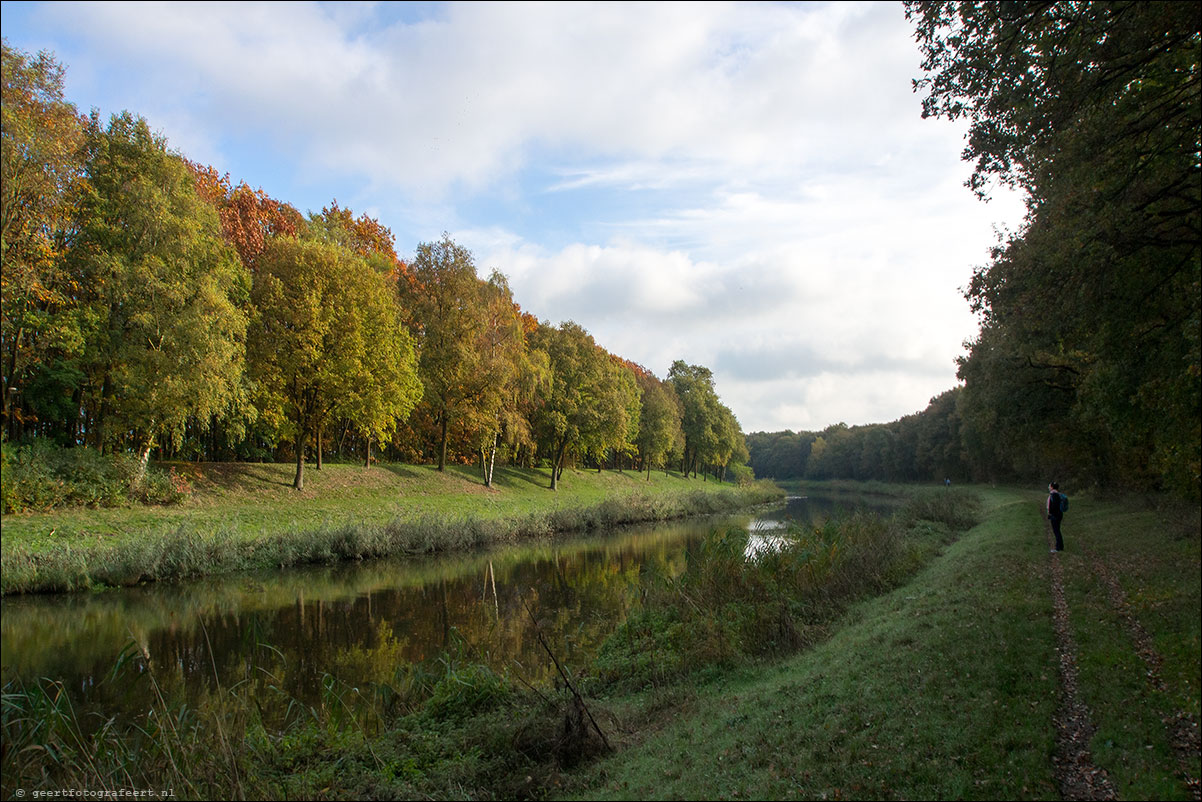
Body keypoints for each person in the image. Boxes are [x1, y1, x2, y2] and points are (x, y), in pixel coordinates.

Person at [1047, 482, 1065, 552]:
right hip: (1058, 515)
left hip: (1055, 515)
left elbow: (1054, 506)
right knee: (1057, 531)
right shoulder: (1057, 494)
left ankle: (1058, 548)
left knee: (1056, 531)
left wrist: (1050, 513)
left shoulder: (1054, 495)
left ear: (1052, 487)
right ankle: (1060, 546)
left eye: (1049, 486)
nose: (1048, 487)